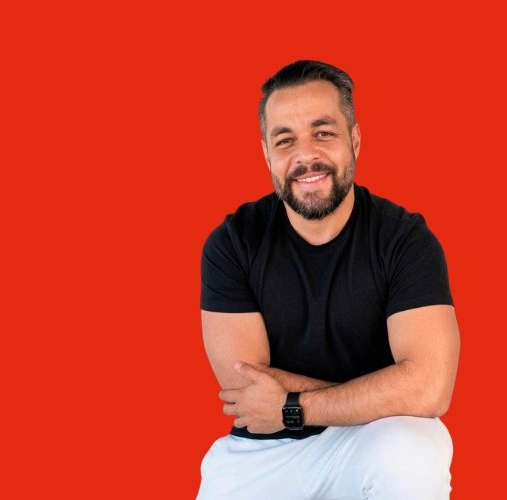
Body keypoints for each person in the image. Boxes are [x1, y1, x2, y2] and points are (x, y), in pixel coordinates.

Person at [197, 60, 460, 500]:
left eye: (323, 133)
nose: (305, 156)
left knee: (412, 453)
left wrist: (293, 406)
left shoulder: (405, 240)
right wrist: (387, 389)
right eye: (285, 140)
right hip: (265, 449)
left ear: (354, 140)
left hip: (376, 436)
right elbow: (249, 391)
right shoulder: (233, 243)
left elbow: (431, 388)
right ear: (266, 154)